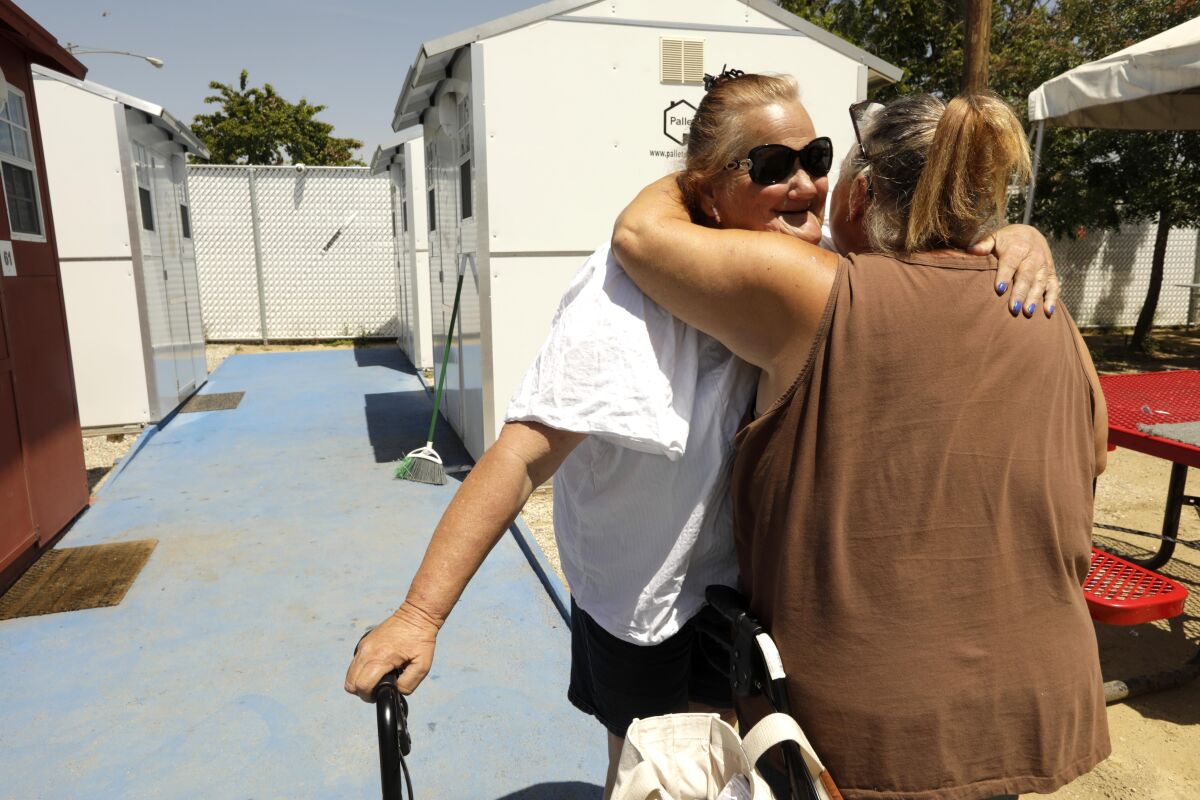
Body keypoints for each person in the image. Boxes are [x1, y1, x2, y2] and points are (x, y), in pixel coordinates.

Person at [345, 74, 1061, 797]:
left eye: (815, 156)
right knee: (647, 769)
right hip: (640, 603)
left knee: (729, 768)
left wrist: (1011, 235)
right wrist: (420, 613)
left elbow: (932, 254)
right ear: (709, 194)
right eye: (772, 166)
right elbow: (522, 453)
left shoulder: (835, 274)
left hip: (739, 595)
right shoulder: (623, 290)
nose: (807, 182)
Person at [611, 91, 1109, 800]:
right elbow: (1092, 452)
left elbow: (639, 236)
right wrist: (1019, 235)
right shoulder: (1046, 310)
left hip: (863, 733)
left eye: (824, 166)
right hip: (1018, 708)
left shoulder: (817, 295)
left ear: (862, 192)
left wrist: (704, 172)